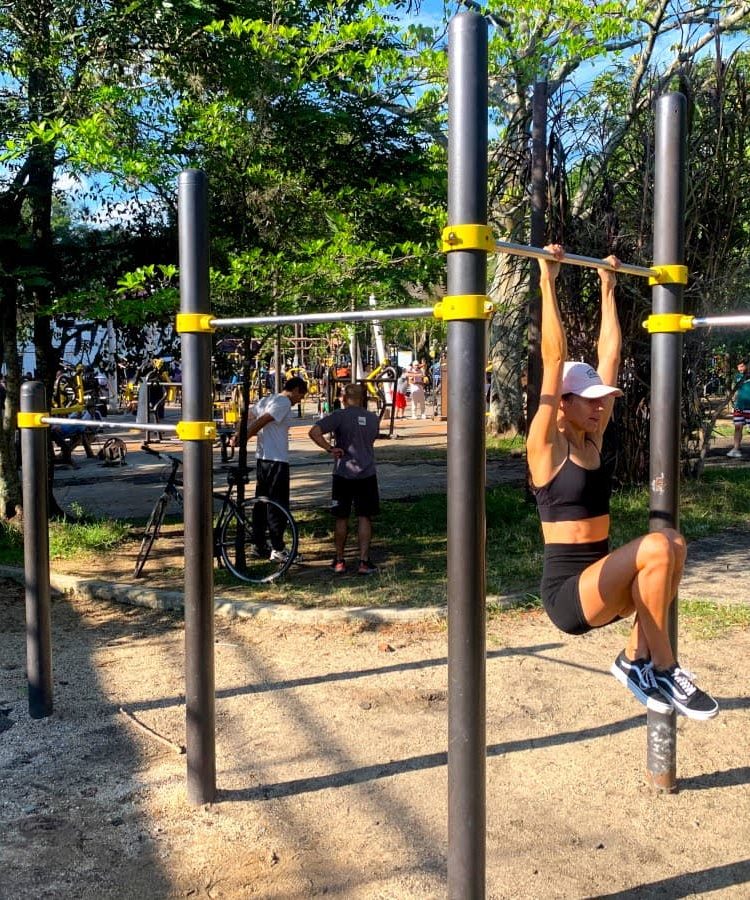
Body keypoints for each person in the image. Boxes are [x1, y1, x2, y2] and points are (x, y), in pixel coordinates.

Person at [527, 244, 718, 720]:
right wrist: (546, 277)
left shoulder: (592, 437)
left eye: (601, 400)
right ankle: (666, 669)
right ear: (563, 402)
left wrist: (608, 286)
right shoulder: (546, 447)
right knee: (657, 545)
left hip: (607, 589)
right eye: (588, 400)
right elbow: (554, 362)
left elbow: (609, 354)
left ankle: (633, 658)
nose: (598, 406)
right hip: (570, 594)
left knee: (672, 542)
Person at [308, 383, 380, 576]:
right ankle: (364, 561)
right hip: (367, 472)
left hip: (343, 473)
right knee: (365, 516)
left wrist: (329, 448)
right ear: (363, 398)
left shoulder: (339, 416)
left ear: (344, 398)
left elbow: (313, 432)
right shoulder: (373, 419)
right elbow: (371, 441)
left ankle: (339, 560)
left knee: (341, 516)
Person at [245, 376, 308, 561]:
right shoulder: (282, 402)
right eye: (301, 396)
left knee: (261, 502)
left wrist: (239, 432)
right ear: (295, 389)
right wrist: (245, 436)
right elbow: (263, 420)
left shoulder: (267, 399)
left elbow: (248, 415)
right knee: (277, 504)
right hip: (276, 460)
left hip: (263, 459)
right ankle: (278, 548)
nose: (300, 400)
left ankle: (258, 544)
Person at [727, 359, 750, 458]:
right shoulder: (737, 377)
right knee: (737, 427)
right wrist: (733, 402)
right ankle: (736, 449)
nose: (739, 369)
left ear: (747, 366)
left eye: (741, 366)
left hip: (749, 406)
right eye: (738, 367)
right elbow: (735, 390)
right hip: (738, 406)